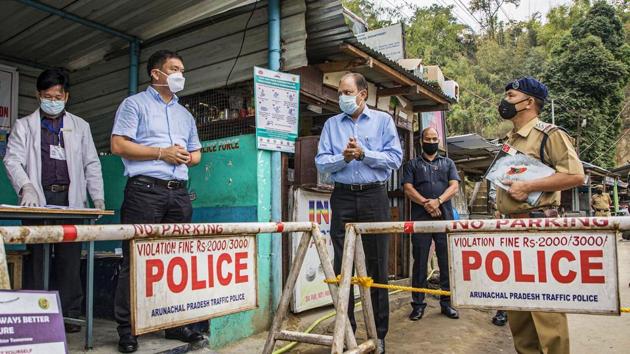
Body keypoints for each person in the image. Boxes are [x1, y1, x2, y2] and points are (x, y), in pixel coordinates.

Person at [110, 50, 202, 353]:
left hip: (178, 192)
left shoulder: (184, 114)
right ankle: (129, 328)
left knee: (174, 258)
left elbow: (196, 154)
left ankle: (174, 324)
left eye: (183, 70)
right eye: (174, 69)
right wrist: (162, 153)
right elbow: (118, 144)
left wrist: (184, 156)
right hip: (144, 190)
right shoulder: (134, 104)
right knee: (135, 260)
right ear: (156, 73)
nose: (181, 75)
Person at [3, 68, 105, 333]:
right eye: (47, 95)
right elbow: (12, 159)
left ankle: (70, 313)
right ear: (39, 96)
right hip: (38, 198)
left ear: (66, 96)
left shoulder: (80, 126)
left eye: (57, 95)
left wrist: (98, 198)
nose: (52, 100)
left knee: (69, 258)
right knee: (37, 257)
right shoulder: (24, 126)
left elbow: (91, 163)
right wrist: (26, 186)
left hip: (70, 199)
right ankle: (37, 311)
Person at [495, 77, 584, 354]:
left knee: (546, 310)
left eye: (511, 96)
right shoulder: (510, 139)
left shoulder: (550, 134)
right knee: (518, 310)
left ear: (529, 102)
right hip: (512, 228)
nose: (505, 101)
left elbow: (576, 175)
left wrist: (530, 186)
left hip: (538, 226)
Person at [315, 72, 402, 354]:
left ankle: (379, 335)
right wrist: (345, 157)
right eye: (340, 92)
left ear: (362, 94)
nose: (341, 97)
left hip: (375, 196)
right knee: (344, 266)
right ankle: (348, 332)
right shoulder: (331, 124)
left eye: (346, 92)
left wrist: (364, 154)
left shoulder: (383, 121)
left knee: (377, 266)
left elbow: (395, 159)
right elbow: (322, 163)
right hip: (342, 197)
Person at [402, 127, 460, 321]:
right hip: (420, 219)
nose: (431, 141)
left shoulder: (448, 163)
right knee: (419, 262)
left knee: (446, 261)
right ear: (422, 141)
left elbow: (454, 186)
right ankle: (418, 305)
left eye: (435, 138)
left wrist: (438, 201)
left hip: (444, 220)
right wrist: (426, 203)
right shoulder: (412, 165)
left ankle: (447, 303)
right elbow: (408, 189)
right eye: (428, 138)